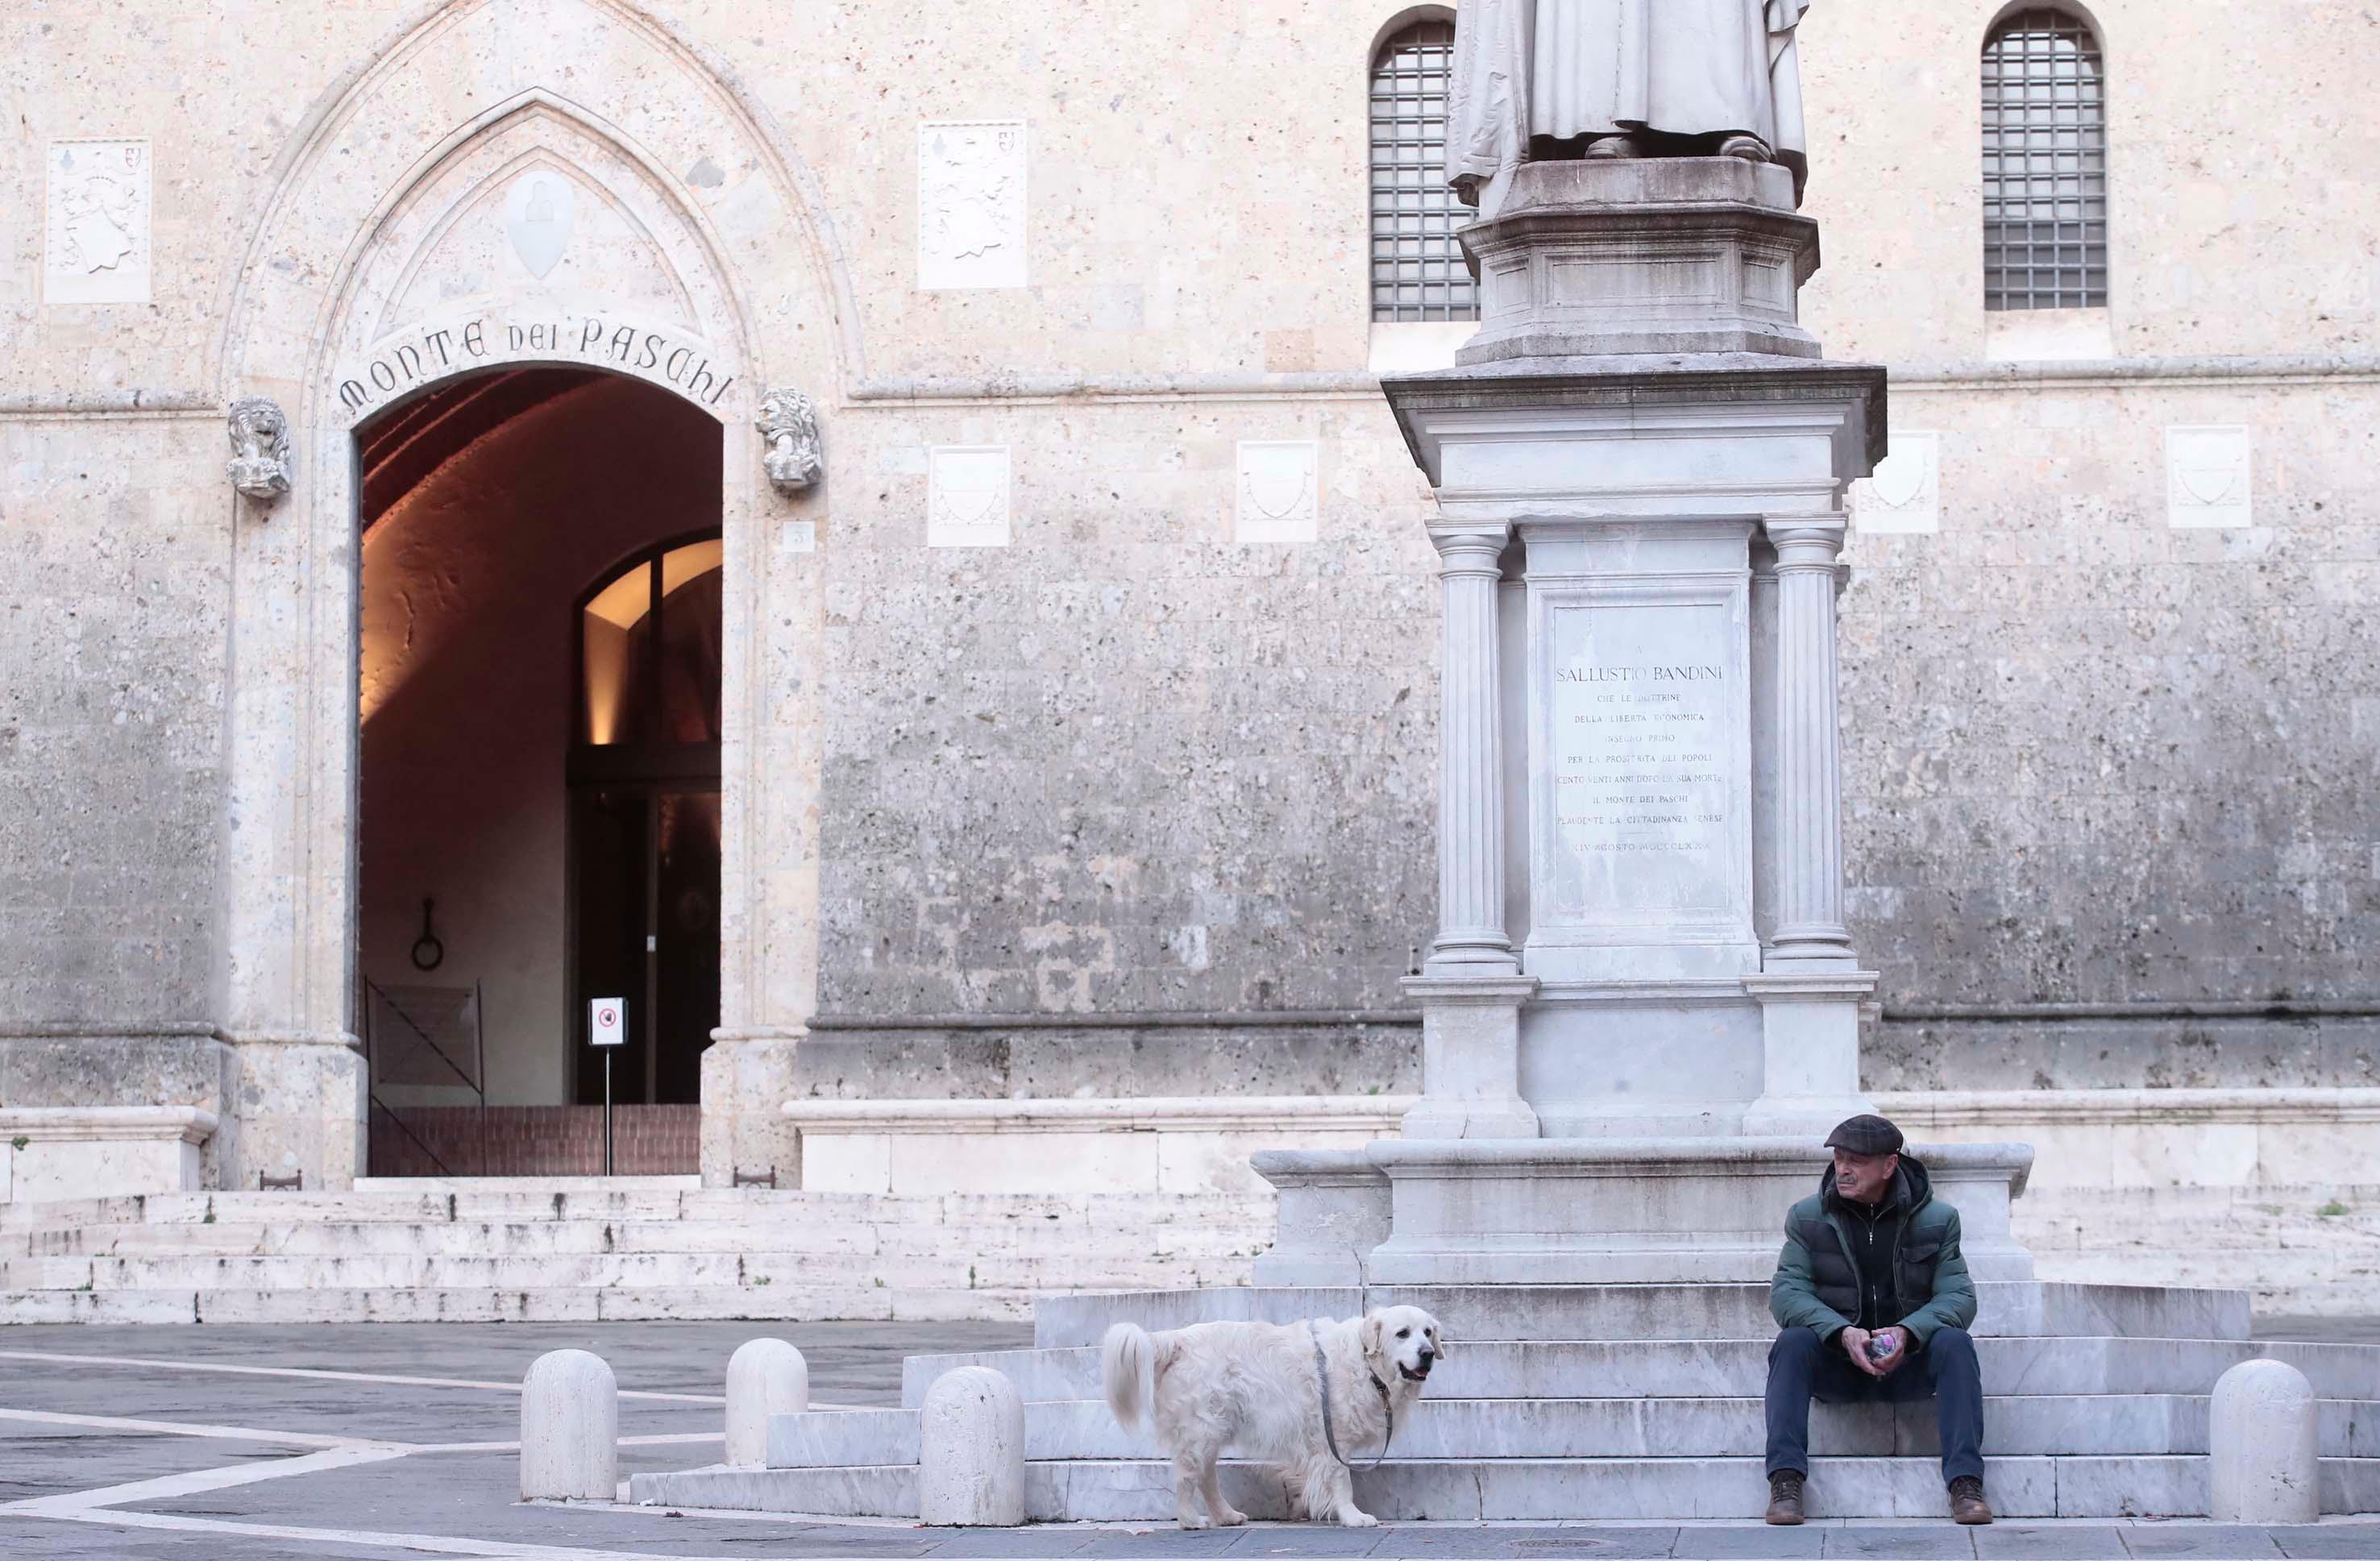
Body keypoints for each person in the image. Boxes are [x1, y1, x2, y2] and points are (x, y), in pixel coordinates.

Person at [1764, 1114, 1992, 1526]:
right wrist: (1840, 1333)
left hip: (1909, 1362)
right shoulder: (1807, 1218)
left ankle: (1966, 1484)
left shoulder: (1938, 1220)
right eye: (1838, 1158)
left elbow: (1960, 1297)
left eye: (1856, 1161)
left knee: (1955, 1345)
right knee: (1793, 1343)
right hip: (1840, 1363)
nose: (1843, 1170)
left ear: (1889, 1165)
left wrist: (1909, 1332)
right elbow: (1786, 1294)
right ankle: (1785, 1481)